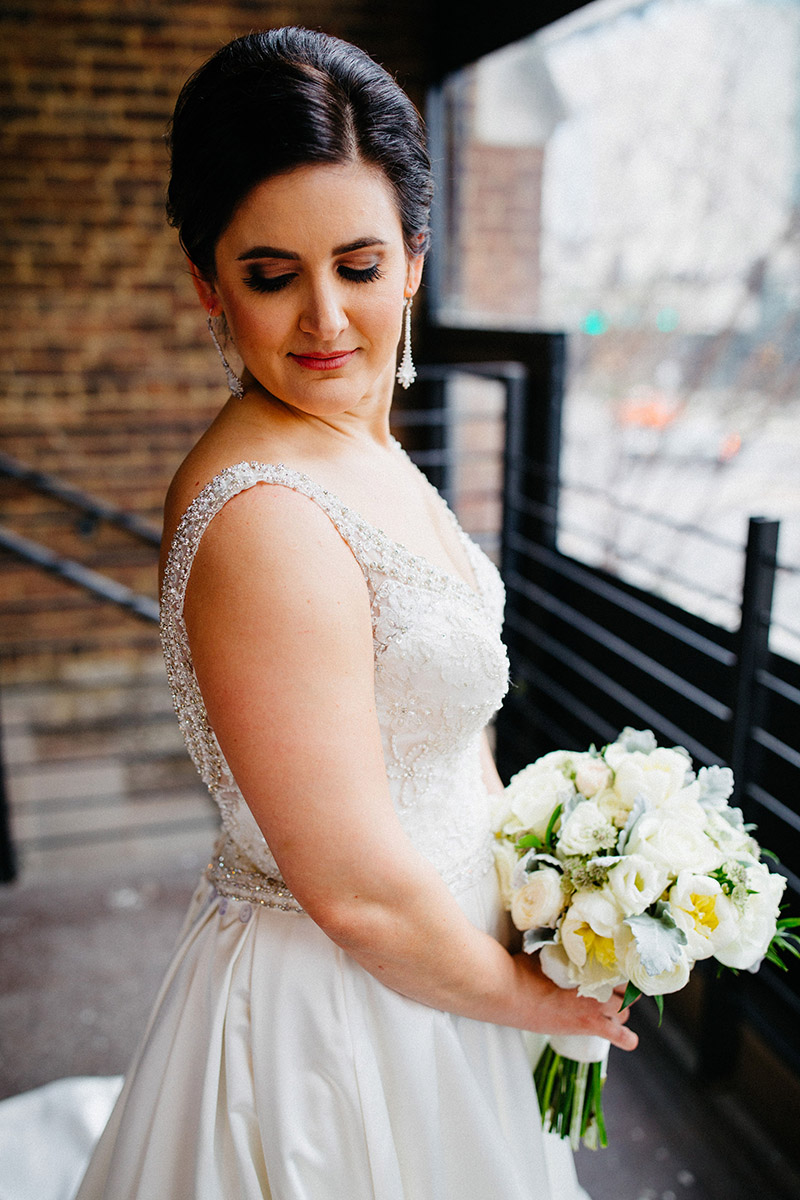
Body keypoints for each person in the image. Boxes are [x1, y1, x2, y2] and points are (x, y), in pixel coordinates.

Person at [74, 27, 636, 1200]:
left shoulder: (357, 444)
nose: (326, 319)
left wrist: (549, 894)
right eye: (272, 276)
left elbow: (445, 739)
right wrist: (536, 999)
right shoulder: (262, 517)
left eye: (360, 266)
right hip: (338, 1015)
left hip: (445, 973)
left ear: (416, 260)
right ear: (207, 287)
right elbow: (353, 891)